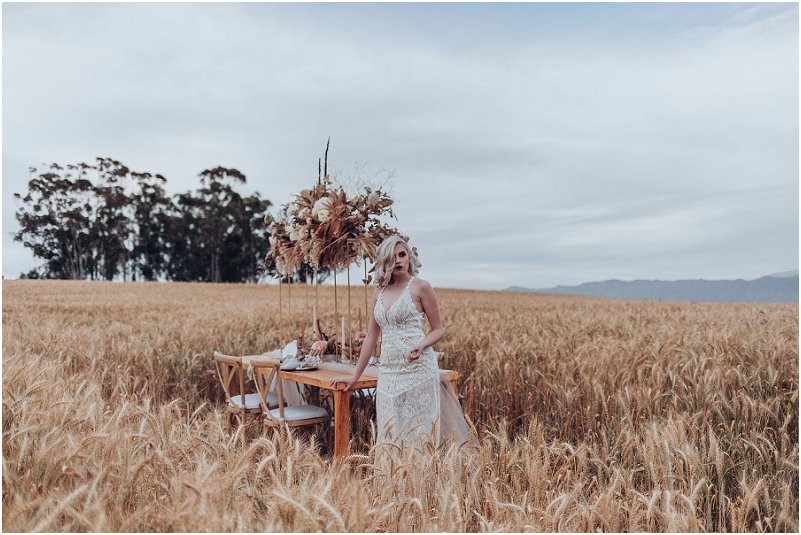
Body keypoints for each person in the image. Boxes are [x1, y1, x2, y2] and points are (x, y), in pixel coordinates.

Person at [330, 235, 470, 453]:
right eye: (392, 256)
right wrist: (354, 376)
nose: (398, 260)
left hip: (418, 371)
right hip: (388, 375)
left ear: (409, 258)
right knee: (390, 436)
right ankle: (392, 486)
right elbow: (371, 337)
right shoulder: (379, 292)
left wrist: (422, 345)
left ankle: (421, 486)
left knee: (419, 437)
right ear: (384, 261)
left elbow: (438, 329)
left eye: (402, 255)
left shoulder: (421, 287)